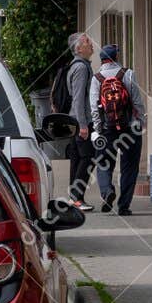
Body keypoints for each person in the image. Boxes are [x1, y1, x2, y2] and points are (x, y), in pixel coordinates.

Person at [90, 41, 146, 216]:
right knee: (130, 166)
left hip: (107, 129)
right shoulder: (128, 74)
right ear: (116, 57)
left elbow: (94, 108)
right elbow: (137, 102)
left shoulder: (96, 78)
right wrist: (141, 122)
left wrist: (98, 129)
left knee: (104, 163)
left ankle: (107, 192)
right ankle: (124, 206)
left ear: (101, 60)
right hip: (130, 128)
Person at [60, 32, 96, 211]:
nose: (91, 44)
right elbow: (79, 98)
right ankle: (77, 198)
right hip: (80, 120)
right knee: (88, 157)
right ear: (79, 48)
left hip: (73, 119)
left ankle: (74, 197)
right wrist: (83, 125)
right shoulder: (81, 68)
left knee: (76, 158)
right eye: (87, 41)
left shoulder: (77, 66)